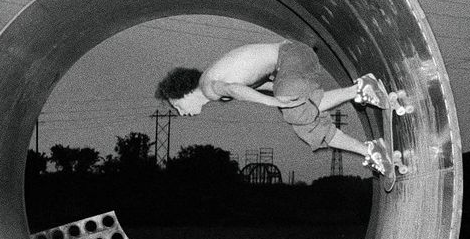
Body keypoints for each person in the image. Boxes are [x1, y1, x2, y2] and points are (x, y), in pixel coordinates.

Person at [155, 40, 398, 175]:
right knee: (307, 129)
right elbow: (265, 85)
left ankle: (361, 89)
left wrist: (277, 102)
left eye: (177, 106)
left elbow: (236, 90)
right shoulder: (213, 82)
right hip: (292, 66)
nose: (181, 113)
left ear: (184, 92)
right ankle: (371, 151)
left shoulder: (208, 86)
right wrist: (287, 99)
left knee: (292, 107)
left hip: (292, 55)